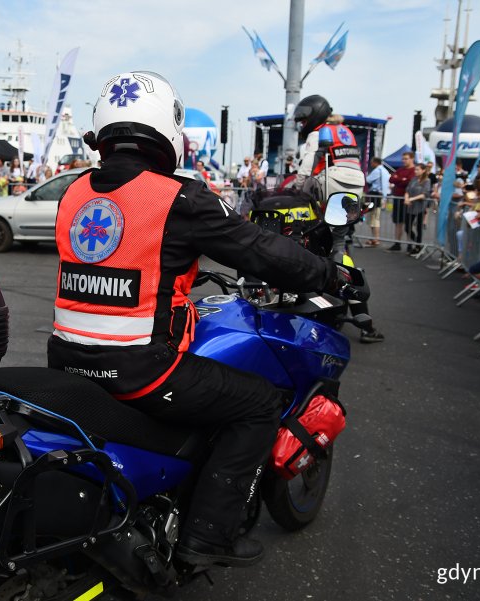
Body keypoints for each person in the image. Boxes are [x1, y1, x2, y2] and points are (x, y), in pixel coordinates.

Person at [48, 70, 359, 568]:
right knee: (258, 404)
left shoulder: (75, 193)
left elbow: (126, 265)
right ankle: (206, 540)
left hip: (66, 362)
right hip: (142, 372)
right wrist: (329, 274)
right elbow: (257, 249)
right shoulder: (178, 196)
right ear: (167, 127)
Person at [387, 151, 416, 251]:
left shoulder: (413, 170)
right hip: (398, 199)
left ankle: (409, 244)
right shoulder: (400, 169)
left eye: (406, 158)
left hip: (408, 200)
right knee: (398, 222)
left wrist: (398, 179)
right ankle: (397, 243)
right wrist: (401, 179)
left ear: (412, 159)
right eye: (403, 159)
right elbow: (391, 179)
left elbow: (409, 181)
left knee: (408, 224)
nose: (404, 161)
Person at [404, 163, 432, 255]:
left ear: (423, 170)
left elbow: (425, 194)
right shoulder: (413, 179)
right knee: (407, 227)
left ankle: (417, 246)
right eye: (415, 170)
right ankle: (416, 243)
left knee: (419, 228)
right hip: (410, 206)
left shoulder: (427, 181)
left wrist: (411, 199)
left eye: (418, 170)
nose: (416, 171)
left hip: (420, 206)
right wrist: (406, 198)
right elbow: (407, 190)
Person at [365, 157, 390, 247]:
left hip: (375, 194)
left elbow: (368, 179)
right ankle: (374, 238)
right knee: (375, 217)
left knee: (374, 217)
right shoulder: (385, 171)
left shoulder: (377, 170)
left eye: (372, 163)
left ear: (375, 162)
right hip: (380, 195)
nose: (371, 165)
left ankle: (376, 238)